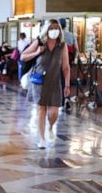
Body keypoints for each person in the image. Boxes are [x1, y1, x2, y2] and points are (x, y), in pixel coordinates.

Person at [21, 19, 72, 149]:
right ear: (46, 29)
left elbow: (66, 67)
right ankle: (42, 139)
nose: (54, 31)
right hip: (39, 82)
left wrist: (67, 84)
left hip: (55, 83)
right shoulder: (39, 42)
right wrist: (37, 52)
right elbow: (23, 57)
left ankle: (50, 127)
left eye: (56, 28)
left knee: (54, 112)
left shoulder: (62, 45)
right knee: (41, 110)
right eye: (51, 28)